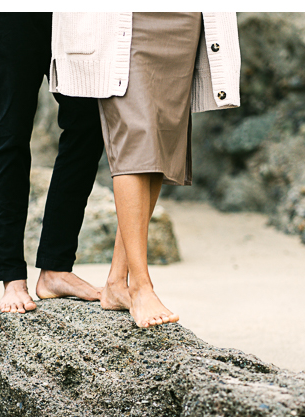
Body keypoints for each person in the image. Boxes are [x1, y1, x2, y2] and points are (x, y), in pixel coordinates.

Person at [50, 13, 240, 328]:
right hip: (124, 18)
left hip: (181, 21)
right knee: (135, 139)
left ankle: (116, 283)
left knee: (157, 145)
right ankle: (141, 285)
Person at [0, 13, 106, 313]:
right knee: (9, 134)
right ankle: (12, 278)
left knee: (90, 122)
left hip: (74, 15)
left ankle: (56, 269)